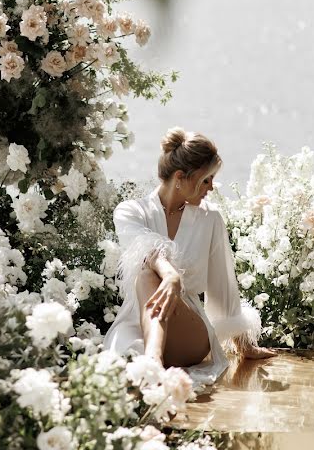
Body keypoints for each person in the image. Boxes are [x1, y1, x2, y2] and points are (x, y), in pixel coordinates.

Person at [103, 127, 275, 387]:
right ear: (181, 177)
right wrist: (170, 275)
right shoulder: (130, 212)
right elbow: (144, 248)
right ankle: (153, 362)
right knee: (119, 366)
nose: (211, 188)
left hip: (189, 331)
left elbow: (223, 284)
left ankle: (153, 363)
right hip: (136, 323)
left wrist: (245, 345)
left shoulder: (210, 218)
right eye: (206, 180)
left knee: (146, 278)